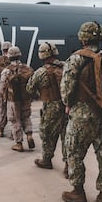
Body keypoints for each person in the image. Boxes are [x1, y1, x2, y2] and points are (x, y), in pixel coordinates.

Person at [60, 21, 102, 202]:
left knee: (74, 152)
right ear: (99, 38)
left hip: (81, 116)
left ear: (82, 38)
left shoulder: (75, 59)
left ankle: (78, 192)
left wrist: (68, 104)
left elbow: (66, 89)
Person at [26, 42, 68, 177]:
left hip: (51, 106)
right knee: (66, 135)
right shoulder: (66, 67)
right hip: (68, 105)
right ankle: (69, 165)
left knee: (47, 133)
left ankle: (46, 159)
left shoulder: (41, 72)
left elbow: (29, 89)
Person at [0, 46, 35, 152]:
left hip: (13, 99)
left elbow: (2, 87)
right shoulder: (27, 68)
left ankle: (19, 143)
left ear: (9, 57)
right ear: (19, 55)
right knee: (26, 117)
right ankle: (29, 135)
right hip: (26, 98)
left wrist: (3, 97)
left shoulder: (6, 71)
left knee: (15, 120)